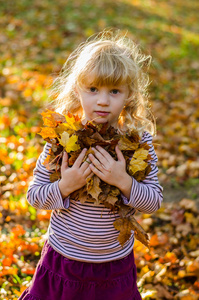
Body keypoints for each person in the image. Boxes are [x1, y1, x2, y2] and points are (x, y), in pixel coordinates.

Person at [19, 30, 163, 300]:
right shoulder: (63, 140)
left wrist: (123, 181)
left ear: (129, 96)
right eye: (93, 89)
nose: (103, 100)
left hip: (114, 267)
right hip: (63, 261)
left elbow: (153, 202)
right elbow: (34, 196)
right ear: (77, 89)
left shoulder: (137, 143)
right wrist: (65, 185)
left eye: (114, 91)